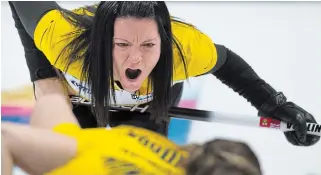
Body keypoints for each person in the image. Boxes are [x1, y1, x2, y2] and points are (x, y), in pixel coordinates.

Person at [8, 1, 319, 146]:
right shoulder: (65, 43)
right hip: (79, 98)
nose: (136, 58)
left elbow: (227, 64)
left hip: (151, 103)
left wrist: (276, 106)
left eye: (149, 45)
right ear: (103, 43)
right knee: (71, 159)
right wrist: (41, 74)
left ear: (165, 42)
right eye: (122, 44)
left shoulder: (186, 50)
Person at [1, 94, 262, 175]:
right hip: (78, 144)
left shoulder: (186, 154)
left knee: (50, 97)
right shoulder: (187, 155)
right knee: (51, 97)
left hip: (81, 149)